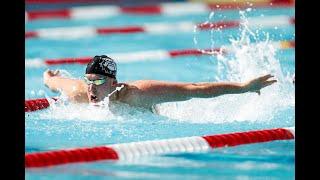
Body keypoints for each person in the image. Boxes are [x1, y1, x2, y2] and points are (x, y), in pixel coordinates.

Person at [43, 55, 277, 111]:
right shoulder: (78, 93)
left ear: (114, 82)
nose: (90, 88)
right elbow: (53, 82)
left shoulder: (140, 94)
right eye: (88, 81)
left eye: (98, 81)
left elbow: (193, 89)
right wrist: (49, 77)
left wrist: (244, 87)